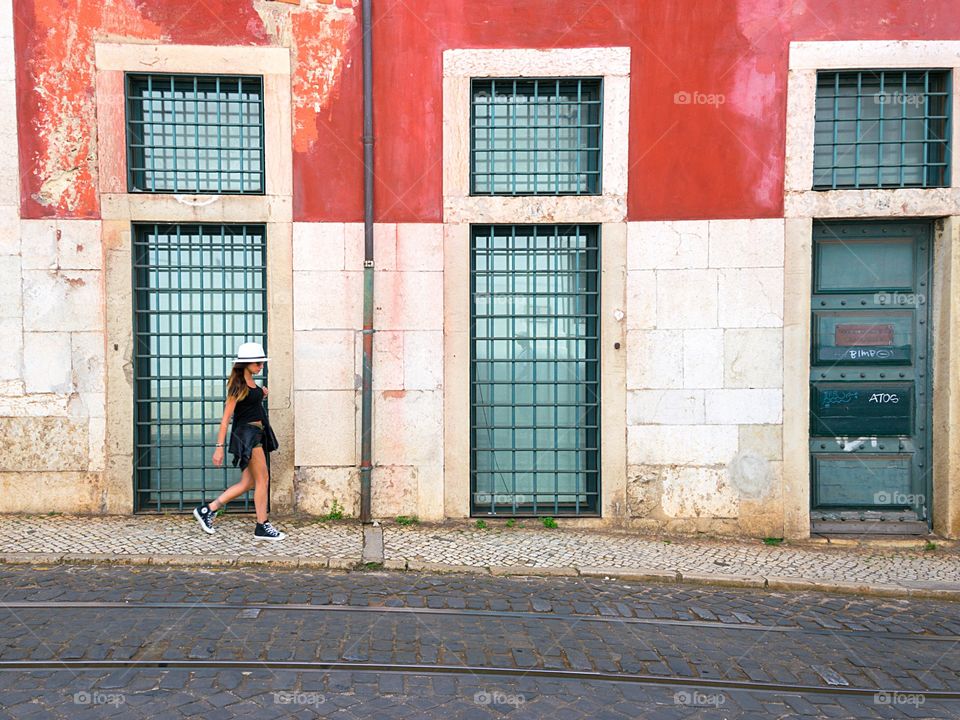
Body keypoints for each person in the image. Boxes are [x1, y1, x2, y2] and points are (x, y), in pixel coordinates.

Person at [193, 342, 285, 541]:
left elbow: (252, 402)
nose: (261, 366)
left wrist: (262, 393)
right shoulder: (237, 386)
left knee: (248, 482)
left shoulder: (251, 381)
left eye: (262, 363)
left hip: (257, 434)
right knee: (263, 479)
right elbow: (226, 419)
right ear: (246, 363)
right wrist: (219, 448)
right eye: (258, 363)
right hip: (247, 437)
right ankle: (262, 525)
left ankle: (208, 509)